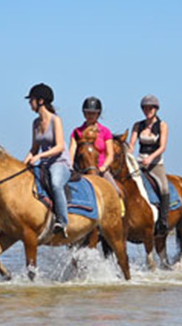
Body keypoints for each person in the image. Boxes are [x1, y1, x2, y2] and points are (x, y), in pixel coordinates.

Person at [22, 83, 71, 237]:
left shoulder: (55, 120)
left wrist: (39, 157)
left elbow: (59, 147)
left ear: (41, 101)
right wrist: (21, 165)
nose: (30, 103)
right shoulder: (35, 123)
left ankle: (62, 222)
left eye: (32, 100)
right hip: (44, 164)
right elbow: (34, 149)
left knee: (56, 184)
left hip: (59, 163)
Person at [126, 95, 171, 235]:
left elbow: (162, 147)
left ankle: (163, 221)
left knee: (163, 188)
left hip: (156, 163)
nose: (148, 110)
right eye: (145, 108)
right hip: (139, 162)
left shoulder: (162, 125)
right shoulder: (138, 125)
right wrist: (129, 154)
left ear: (156, 109)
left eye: (151, 108)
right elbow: (132, 144)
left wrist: (150, 158)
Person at [68, 96, 116, 179]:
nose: (90, 116)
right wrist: (70, 167)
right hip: (81, 170)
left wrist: (104, 167)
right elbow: (72, 152)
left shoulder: (105, 132)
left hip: (100, 170)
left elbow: (110, 154)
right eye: (88, 113)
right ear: (84, 113)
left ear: (98, 114)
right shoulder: (77, 132)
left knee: (115, 189)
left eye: (93, 113)